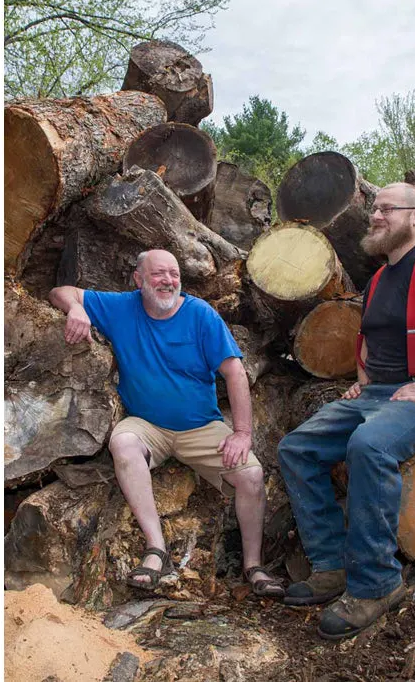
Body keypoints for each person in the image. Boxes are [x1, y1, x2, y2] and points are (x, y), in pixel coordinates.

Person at [277, 183, 415, 640]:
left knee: (370, 445)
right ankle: (332, 567)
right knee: (297, 448)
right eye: (374, 209)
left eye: (386, 209)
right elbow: (373, 337)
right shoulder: (381, 276)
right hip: (380, 392)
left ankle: (377, 583)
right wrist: (363, 379)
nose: (375, 215)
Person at [49, 249, 283, 597]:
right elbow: (60, 292)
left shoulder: (200, 314)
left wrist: (242, 433)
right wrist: (77, 308)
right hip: (148, 426)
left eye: (174, 274)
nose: (169, 281)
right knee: (123, 442)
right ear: (138, 279)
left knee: (250, 474)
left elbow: (234, 371)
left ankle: (253, 565)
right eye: (159, 274)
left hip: (201, 427)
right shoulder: (120, 308)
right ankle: (156, 548)